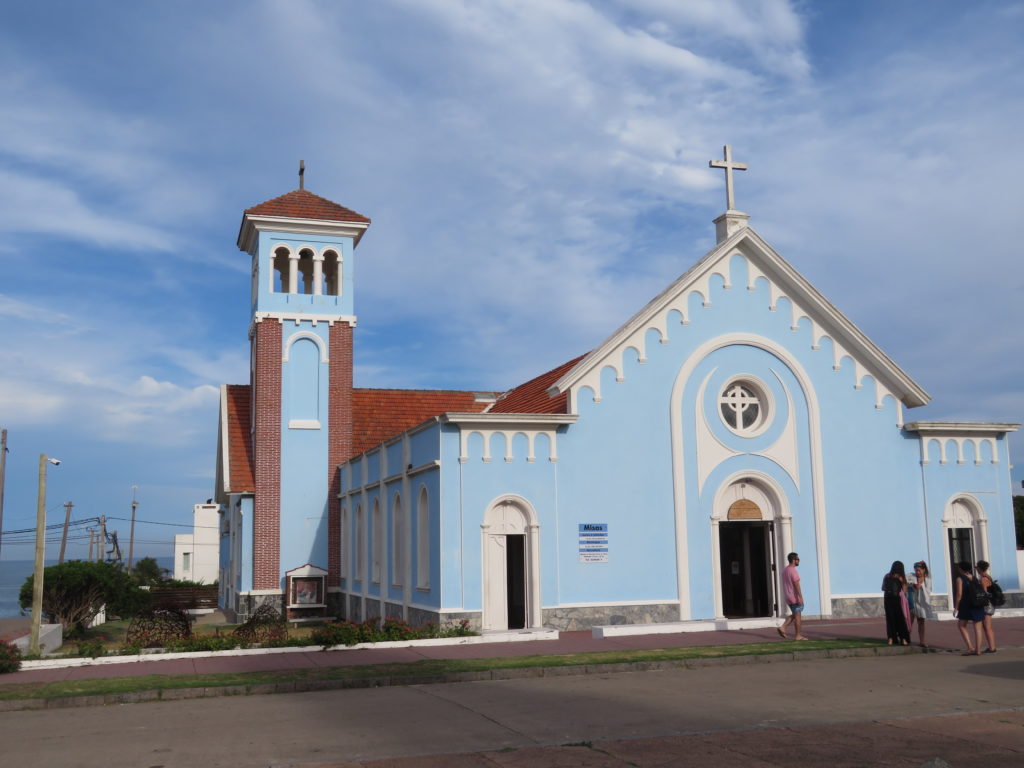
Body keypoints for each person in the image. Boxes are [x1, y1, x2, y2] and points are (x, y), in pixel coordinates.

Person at [953, 560, 984, 656]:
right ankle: (978, 650)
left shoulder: (960, 579)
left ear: (961, 569)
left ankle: (970, 647)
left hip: (966, 605)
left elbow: (959, 594)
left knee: (961, 625)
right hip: (978, 604)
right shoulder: (974, 577)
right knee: (978, 627)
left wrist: (956, 607)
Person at [777, 552, 807, 640]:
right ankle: (797, 635)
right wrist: (800, 597)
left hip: (788, 597)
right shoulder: (793, 570)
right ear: (793, 560)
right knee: (798, 617)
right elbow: (796, 584)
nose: (799, 561)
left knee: (794, 614)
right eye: (797, 559)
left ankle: (783, 628)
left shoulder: (785, 570)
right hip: (794, 597)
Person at [907, 560, 936, 648]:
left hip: (922, 603)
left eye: (919, 570)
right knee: (909, 622)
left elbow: (928, 591)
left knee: (921, 622)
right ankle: (906, 639)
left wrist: (921, 586)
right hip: (912, 602)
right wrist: (912, 584)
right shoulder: (911, 576)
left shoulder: (927, 580)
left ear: (924, 570)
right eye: (916, 570)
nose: (917, 572)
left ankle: (922, 641)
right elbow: (905, 581)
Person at [881, 560, 911, 646]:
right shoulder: (901, 578)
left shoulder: (886, 576)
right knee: (900, 620)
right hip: (897, 601)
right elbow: (904, 591)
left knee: (890, 620)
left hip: (888, 600)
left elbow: (883, 588)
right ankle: (903, 639)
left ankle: (891, 639)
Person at [976, 560, 997, 653]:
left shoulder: (983, 579)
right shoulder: (988, 577)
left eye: (977, 568)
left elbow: (985, 593)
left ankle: (992, 648)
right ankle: (991, 647)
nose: (976, 569)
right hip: (990, 604)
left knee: (987, 627)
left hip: (987, 605)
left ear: (979, 569)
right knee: (987, 627)